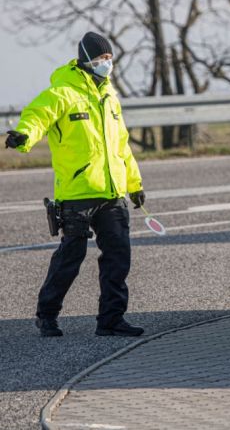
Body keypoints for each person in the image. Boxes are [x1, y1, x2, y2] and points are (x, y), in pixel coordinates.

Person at [5, 32, 146, 337]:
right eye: (101, 58)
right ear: (86, 59)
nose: (106, 63)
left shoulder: (110, 97)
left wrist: (134, 183)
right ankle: (47, 314)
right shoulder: (63, 93)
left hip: (112, 194)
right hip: (77, 193)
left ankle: (111, 320)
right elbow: (37, 115)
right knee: (71, 256)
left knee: (118, 258)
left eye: (109, 58)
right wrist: (24, 136)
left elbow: (122, 146)